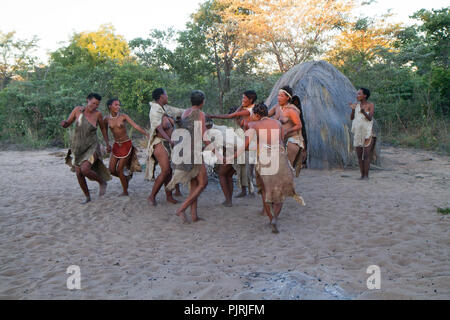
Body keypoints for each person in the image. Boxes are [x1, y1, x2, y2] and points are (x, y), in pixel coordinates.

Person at [230, 103, 305, 233]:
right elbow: (281, 139)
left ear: (257, 115)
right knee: (279, 191)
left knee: (264, 189)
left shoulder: (253, 125)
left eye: (253, 114)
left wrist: (233, 155)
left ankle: (271, 218)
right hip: (280, 157)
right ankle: (275, 217)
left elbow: (246, 145)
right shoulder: (278, 124)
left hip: (264, 159)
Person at [166, 90, 209, 223]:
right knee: (203, 182)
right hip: (193, 152)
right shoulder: (200, 114)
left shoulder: (185, 112)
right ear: (202, 102)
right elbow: (204, 134)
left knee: (194, 183)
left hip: (184, 150)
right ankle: (181, 209)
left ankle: (194, 215)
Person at [61, 93, 112, 203]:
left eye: (97, 104)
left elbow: (103, 129)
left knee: (85, 170)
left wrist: (107, 144)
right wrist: (64, 123)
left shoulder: (98, 114)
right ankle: (87, 197)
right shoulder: (77, 111)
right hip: (78, 147)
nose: (95, 106)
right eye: (93, 103)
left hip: (92, 146)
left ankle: (102, 182)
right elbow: (68, 123)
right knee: (79, 173)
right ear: (87, 100)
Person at [208, 91, 257, 198]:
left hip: (250, 142)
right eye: (242, 98)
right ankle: (245, 190)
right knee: (242, 167)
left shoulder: (248, 112)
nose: (242, 100)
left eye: (244, 98)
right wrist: (242, 104)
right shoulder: (246, 110)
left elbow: (230, 115)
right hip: (246, 140)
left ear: (251, 100)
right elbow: (235, 113)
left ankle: (250, 190)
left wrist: (212, 115)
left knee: (247, 167)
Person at [145, 88, 184, 206]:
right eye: (166, 95)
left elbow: (179, 111)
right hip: (159, 142)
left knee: (169, 171)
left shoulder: (164, 109)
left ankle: (169, 196)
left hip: (167, 143)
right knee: (166, 170)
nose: (167, 97)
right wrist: (169, 140)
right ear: (161, 96)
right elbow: (158, 127)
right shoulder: (154, 110)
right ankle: (151, 196)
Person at [104, 98, 149, 196]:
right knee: (111, 169)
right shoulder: (106, 119)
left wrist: (146, 134)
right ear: (110, 106)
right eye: (116, 105)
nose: (118, 107)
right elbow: (104, 132)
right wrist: (107, 144)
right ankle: (126, 178)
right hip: (116, 145)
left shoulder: (123, 116)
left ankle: (125, 191)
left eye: (119, 105)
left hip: (126, 144)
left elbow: (135, 126)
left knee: (120, 169)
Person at [268, 86, 305, 174]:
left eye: (281, 96)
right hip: (280, 139)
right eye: (278, 95)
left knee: (287, 167)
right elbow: (267, 114)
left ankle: (287, 186)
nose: (278, 98)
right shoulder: (277, 107)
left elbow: (299, 125)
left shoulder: (292, 110)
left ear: (287, 97)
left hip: (292, 139)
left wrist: (287, 131)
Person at [350, 88, 376, 180]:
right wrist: (353, 109)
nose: (357, 95)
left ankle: (366, 175)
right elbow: (352, 118)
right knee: (359, 156)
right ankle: (362, 175)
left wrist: (363, 112)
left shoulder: (370, 105)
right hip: (358, 133)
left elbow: (370, 118)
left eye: (359, 94)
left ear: (365, 95)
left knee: (366, 155)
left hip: (367, 133)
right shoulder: (357, 105)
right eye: (357, 94)